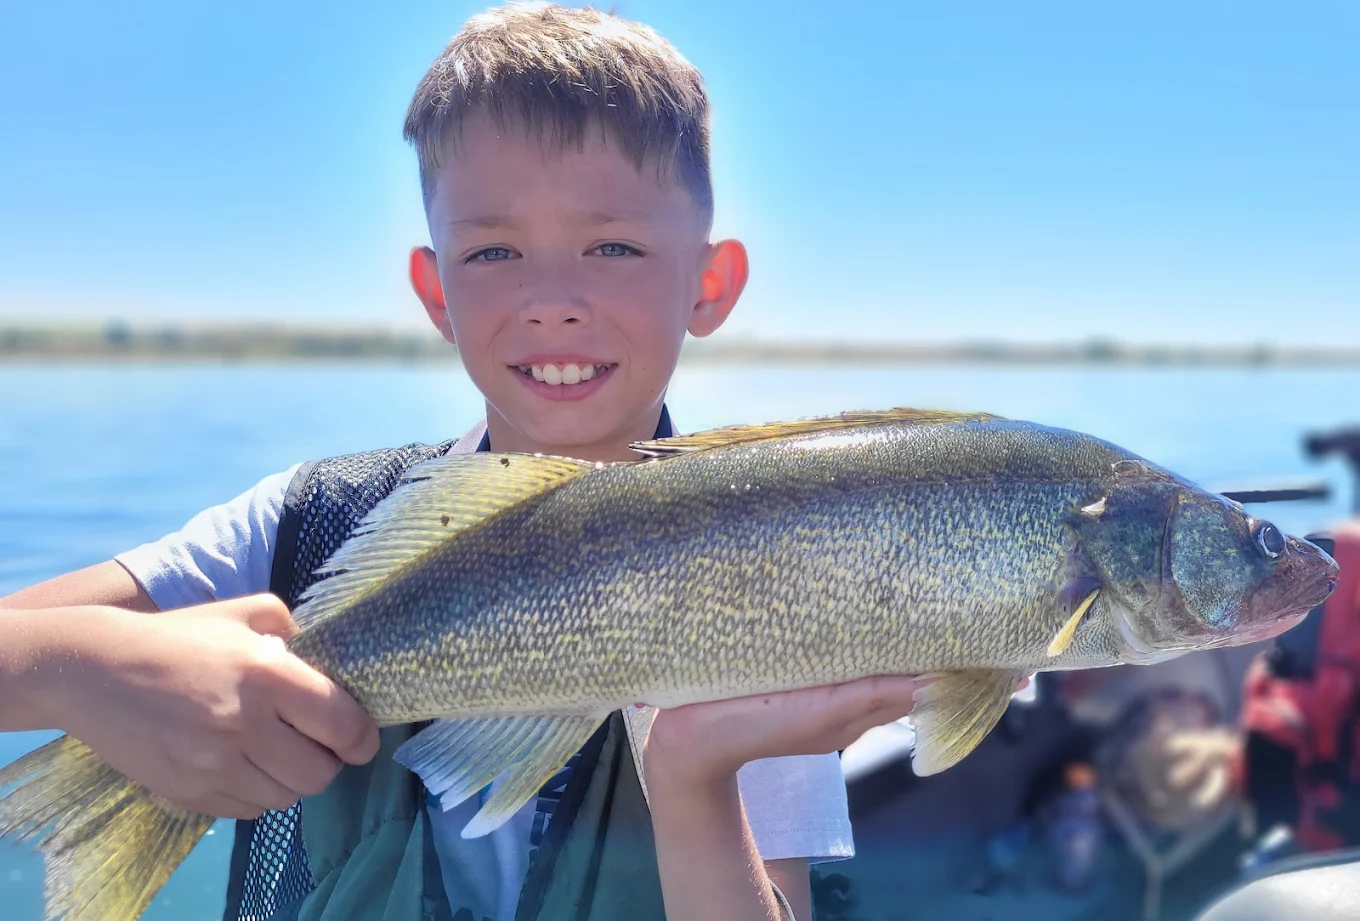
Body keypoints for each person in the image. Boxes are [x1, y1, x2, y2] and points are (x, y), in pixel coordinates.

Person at [0, 5, 933, 920]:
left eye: (614, 245)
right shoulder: (312, 524)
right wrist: (82, 664)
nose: (552, 300)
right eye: (492, 250)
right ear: (435, 291)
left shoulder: (777, 567)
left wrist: (693, 774)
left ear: (710, 282)